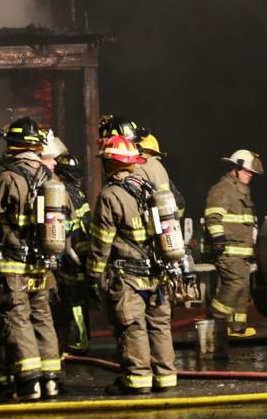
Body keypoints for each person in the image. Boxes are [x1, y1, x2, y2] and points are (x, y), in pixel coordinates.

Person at [0, 117, 66, 401]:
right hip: (43, 264)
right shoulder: (52, 178)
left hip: (14, 264)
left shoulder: (8, 177)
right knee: (42, 317)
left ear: (13, 146)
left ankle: (30, 381)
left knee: (18, 319)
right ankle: (52, 377)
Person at [86, 134, 177, 395]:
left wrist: (93, 276)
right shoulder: (149, 189)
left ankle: (137, 379)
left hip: (128, 276)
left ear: (110, 164)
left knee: (133, 326)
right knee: (159, 325)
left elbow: (101, 243)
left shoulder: (111, 196)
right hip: (158, 273)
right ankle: (165, 376)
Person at [41, 129, 93, 355]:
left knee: (70, 301)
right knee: (76, 300)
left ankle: (76, 341)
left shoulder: (63, 193)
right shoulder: (77, 194)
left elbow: (67, 226)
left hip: (68, 255)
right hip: (78, 254)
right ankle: (77, 340)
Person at [204, 149, 263, 338]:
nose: (250, 175)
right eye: (247, 171)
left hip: (242, 252)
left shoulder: (242, 192)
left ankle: (237, 328)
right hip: (227, 252)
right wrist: (218, 241)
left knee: (243, 288)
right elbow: (213, 218)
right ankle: (214, 323)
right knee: (234, 285)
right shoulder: (222, 190)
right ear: (235, 169)